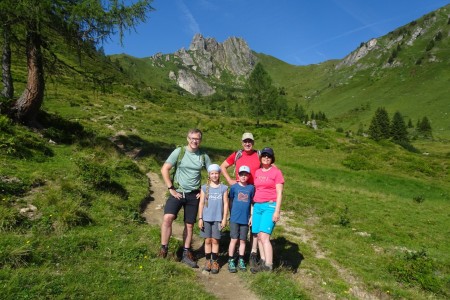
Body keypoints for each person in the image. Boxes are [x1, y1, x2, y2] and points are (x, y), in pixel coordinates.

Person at [159, 128, 211, 268]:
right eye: (192, 138)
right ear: (188, 139)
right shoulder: (179, 152)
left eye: (197, 139)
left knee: (189, 224)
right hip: (178, 192)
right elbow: (165, 169)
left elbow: (213, 173)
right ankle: (163, 249)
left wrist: (204, 190)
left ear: (200, 140)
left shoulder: (203, 156)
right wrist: (171, 188)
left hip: (194, 194)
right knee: (168, 218)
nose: (195, 141)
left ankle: (186, 253)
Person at [220, 132, 261, 268]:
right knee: (239, 222)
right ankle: (236, 254)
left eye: (250, 141)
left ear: (253, 142)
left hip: (255, 192)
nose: (247, 144)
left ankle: (251, 253)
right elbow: (222, 166)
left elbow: (269, 168)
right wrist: (230, 181)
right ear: (242, 143)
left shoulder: (259, 155)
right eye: (245, 141)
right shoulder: (237, 154)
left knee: (252, 224)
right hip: (239, 191)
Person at [250, 147, 284, 273]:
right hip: (258, 206)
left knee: (264, 236)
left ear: (272, 158)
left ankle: (269, 266)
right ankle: (263, 262)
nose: (266, 158)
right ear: (261, 157)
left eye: (268, 156)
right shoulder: (258, 172)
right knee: (258, 235)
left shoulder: (276, 172)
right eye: (264, 155)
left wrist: (277, 211)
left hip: (270, 206)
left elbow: (279, 193)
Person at [198, 164, 229, 274]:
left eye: (216, 173)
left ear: (219, 174)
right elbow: (201, 203)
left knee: (215, 240)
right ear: (209, 175)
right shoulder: (204, 188)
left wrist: (224, 218)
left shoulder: (223, 188)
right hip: (206, 218)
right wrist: (200, 218)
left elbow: (225, 204)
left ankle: (215, 261)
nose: (214, 175)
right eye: (212, 173)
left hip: (217, 219)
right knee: (207, 240)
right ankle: (207, 261)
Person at [227, 165, 255, 273]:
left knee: (243, 240)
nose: (243, 177)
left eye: (246, 175)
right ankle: (231, 260)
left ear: (248, 176)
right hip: (234, 218)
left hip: (245, 219)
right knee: (234, 239)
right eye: (241, 174)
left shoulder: (251, 188)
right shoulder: (234, 187)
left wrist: (251, 216)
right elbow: (230, 200)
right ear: (238, 175)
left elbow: (252, 203)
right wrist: (231, 213)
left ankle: (241, 259)